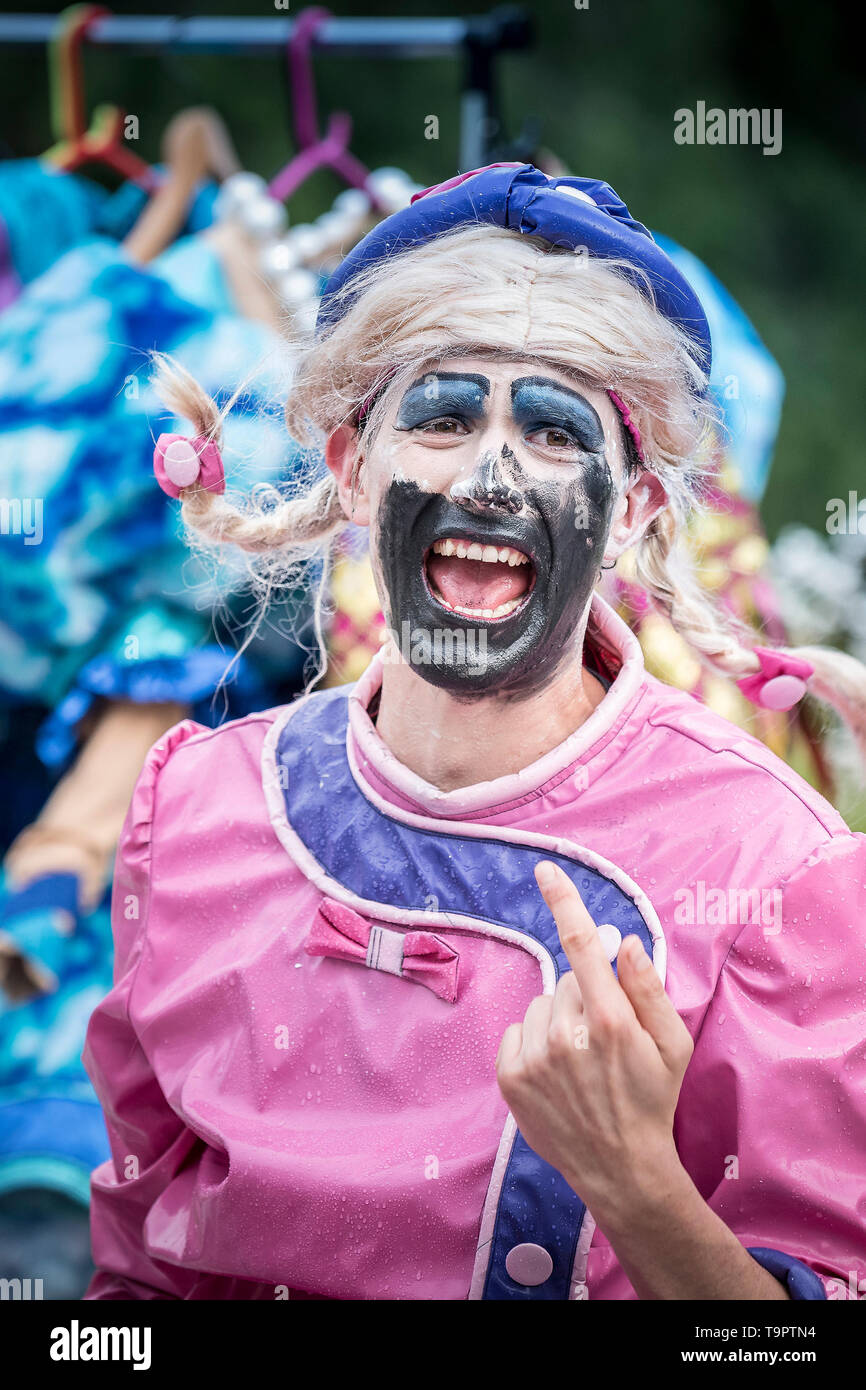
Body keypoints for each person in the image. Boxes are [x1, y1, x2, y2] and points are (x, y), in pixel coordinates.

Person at [82, 164, 866, 1300]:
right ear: (355, 472)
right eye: (443, 418)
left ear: (631, 515)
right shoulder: (195, 804)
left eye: (552, 435)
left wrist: (636, 1187)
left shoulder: (771, 869)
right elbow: (129, 1285)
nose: (491, 477)